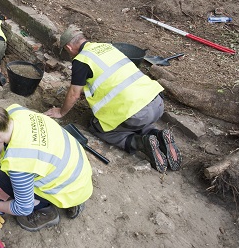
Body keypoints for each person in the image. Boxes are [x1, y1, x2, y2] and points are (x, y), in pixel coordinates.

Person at [44, 25, 182, 173]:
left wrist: (61, 112)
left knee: (98, 127)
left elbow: (74, 94)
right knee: (135, 120)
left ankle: (140, 143)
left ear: (69, 47)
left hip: (137, 113)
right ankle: (157, 135)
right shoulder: (106, 47)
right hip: (157, 103)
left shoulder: (81, 61)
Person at [0, 101, 93, 232]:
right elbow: (7, 138)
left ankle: (46, 211)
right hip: (77, 168)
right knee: (5, 176)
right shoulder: (16, 112)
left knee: (2, 179)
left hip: (68, 189)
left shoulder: (19, 165)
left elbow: (23, 208)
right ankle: (74, 199)